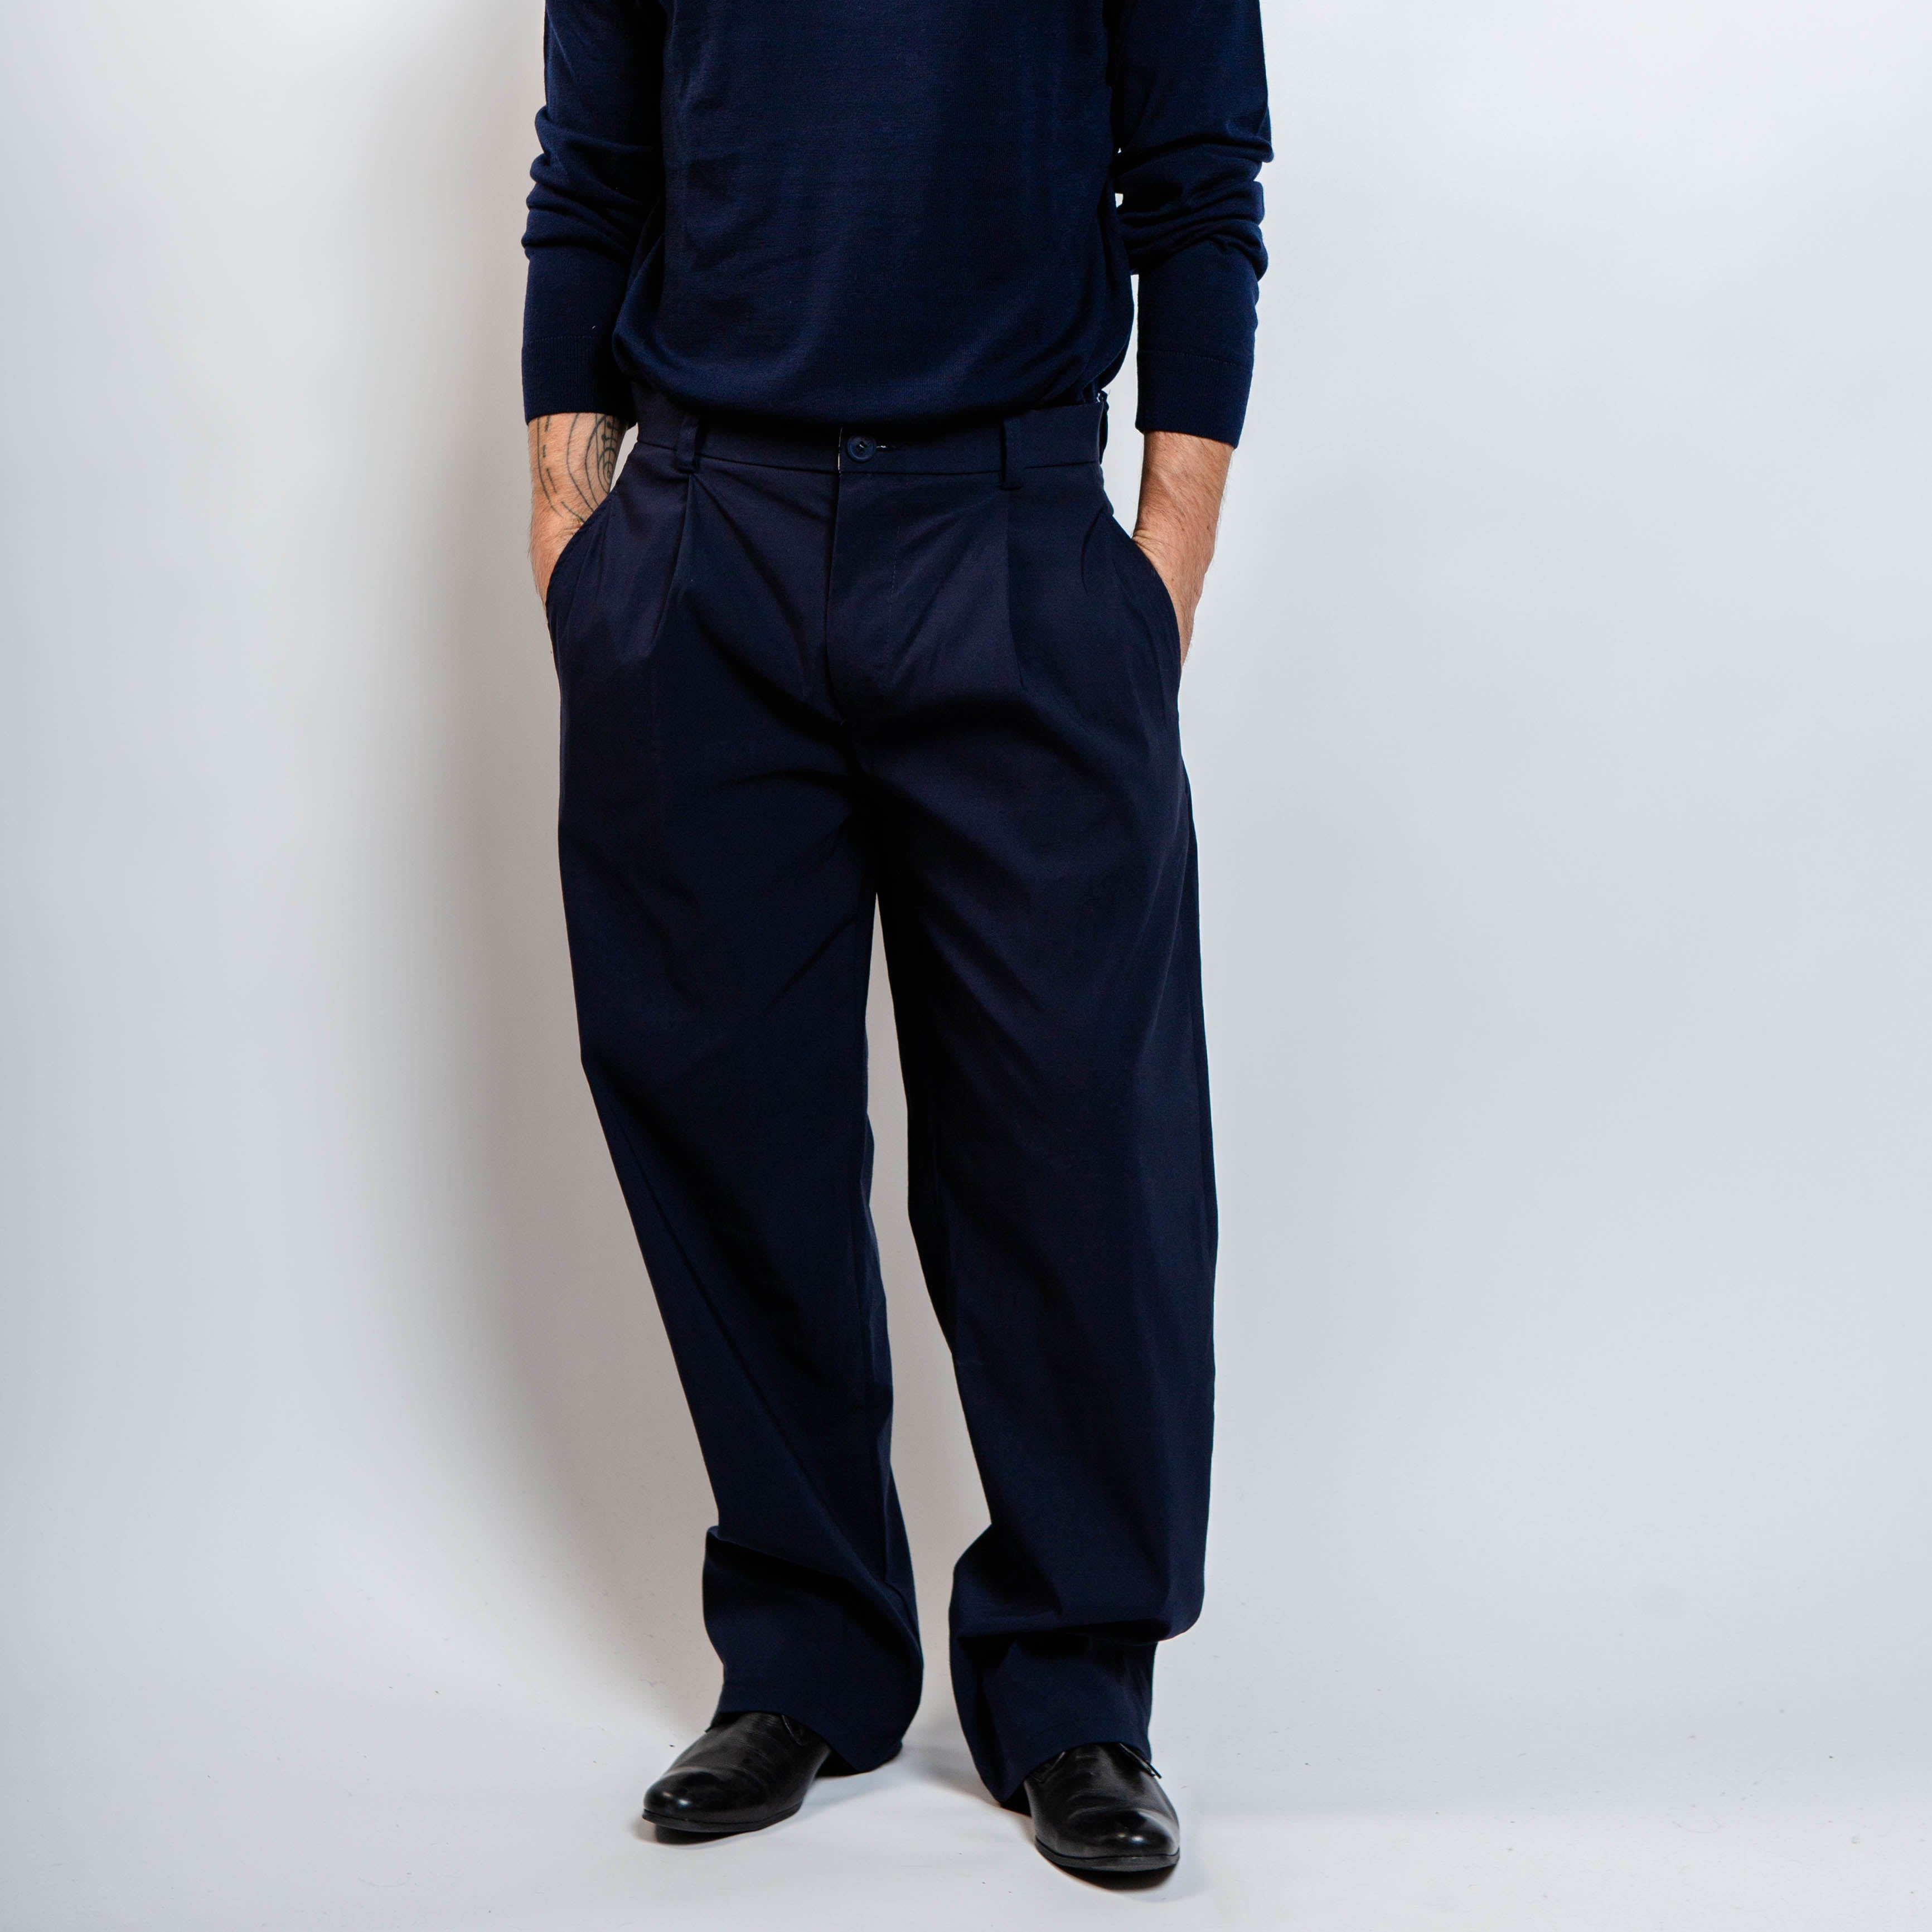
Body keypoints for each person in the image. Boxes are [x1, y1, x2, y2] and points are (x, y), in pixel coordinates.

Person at [520, 0, 1267, 1878]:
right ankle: (803, 1654)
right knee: (728, 1126)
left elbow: (1196, 190)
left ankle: (1075, 1684)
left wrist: (1154, 577)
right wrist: (574, 537)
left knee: (1075, 1143)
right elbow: (590, 173)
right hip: (706, 529)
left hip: (1008, 529)